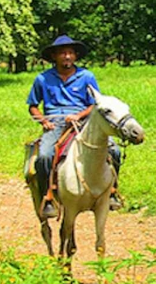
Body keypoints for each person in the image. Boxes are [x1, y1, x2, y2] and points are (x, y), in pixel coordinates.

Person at [27, 34, 124, 219]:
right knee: (44, 156)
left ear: (75, 56)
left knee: (115, 150)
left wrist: (79, 115)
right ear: (54, 56)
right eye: (62, 53)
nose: (67, 56)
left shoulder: (86, 76)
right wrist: (44, 121)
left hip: (84, 120)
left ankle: (112, 191)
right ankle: (47, 197)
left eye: (70, 53)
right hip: (55, 122)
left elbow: (95, 104)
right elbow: (33, 106)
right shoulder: (42, 79)